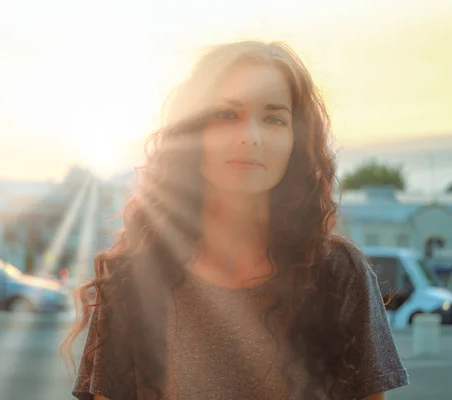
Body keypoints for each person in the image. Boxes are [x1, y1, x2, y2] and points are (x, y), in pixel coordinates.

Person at [63, 41, 409, 400]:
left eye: (274, 118)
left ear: (296, 140)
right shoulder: (133, 279)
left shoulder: (340, 273)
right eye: (227, 114)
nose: (250, 136)